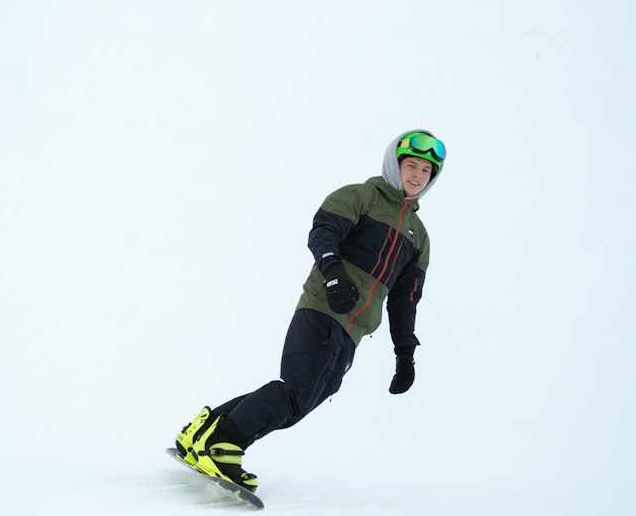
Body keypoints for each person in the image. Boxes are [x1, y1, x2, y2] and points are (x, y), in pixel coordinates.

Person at [173, 129, 446, 490]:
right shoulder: (360, 195)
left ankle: (205, 432)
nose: (417, 175)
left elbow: (405, 298)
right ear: (394, 165)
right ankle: (225, 445)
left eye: (426, 172)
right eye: (411, 165)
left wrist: (405, 354)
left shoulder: (419, 236)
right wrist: (333, 273)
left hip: (355, 328)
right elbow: (323, 232)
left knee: (307, 397)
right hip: (323, 307)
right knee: (298, 389)